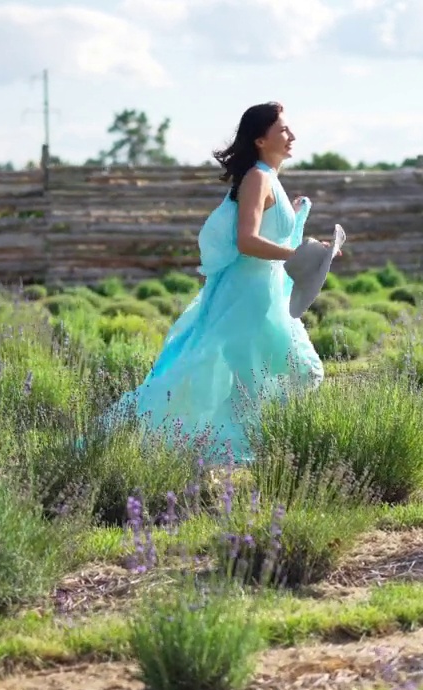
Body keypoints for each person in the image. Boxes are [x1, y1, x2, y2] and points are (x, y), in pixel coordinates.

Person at [102, 102, 333, 465]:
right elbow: (246, 240)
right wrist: (295, 257)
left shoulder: (269, 178)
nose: (292, 136)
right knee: (266, 378)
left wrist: (309, 245)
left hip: (264, 293)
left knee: (283, 375)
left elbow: (273, 237)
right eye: (283, 130)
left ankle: (232, 452)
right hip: (247, 297)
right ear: (260, 139)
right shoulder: (257, 178)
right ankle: (221, 453)